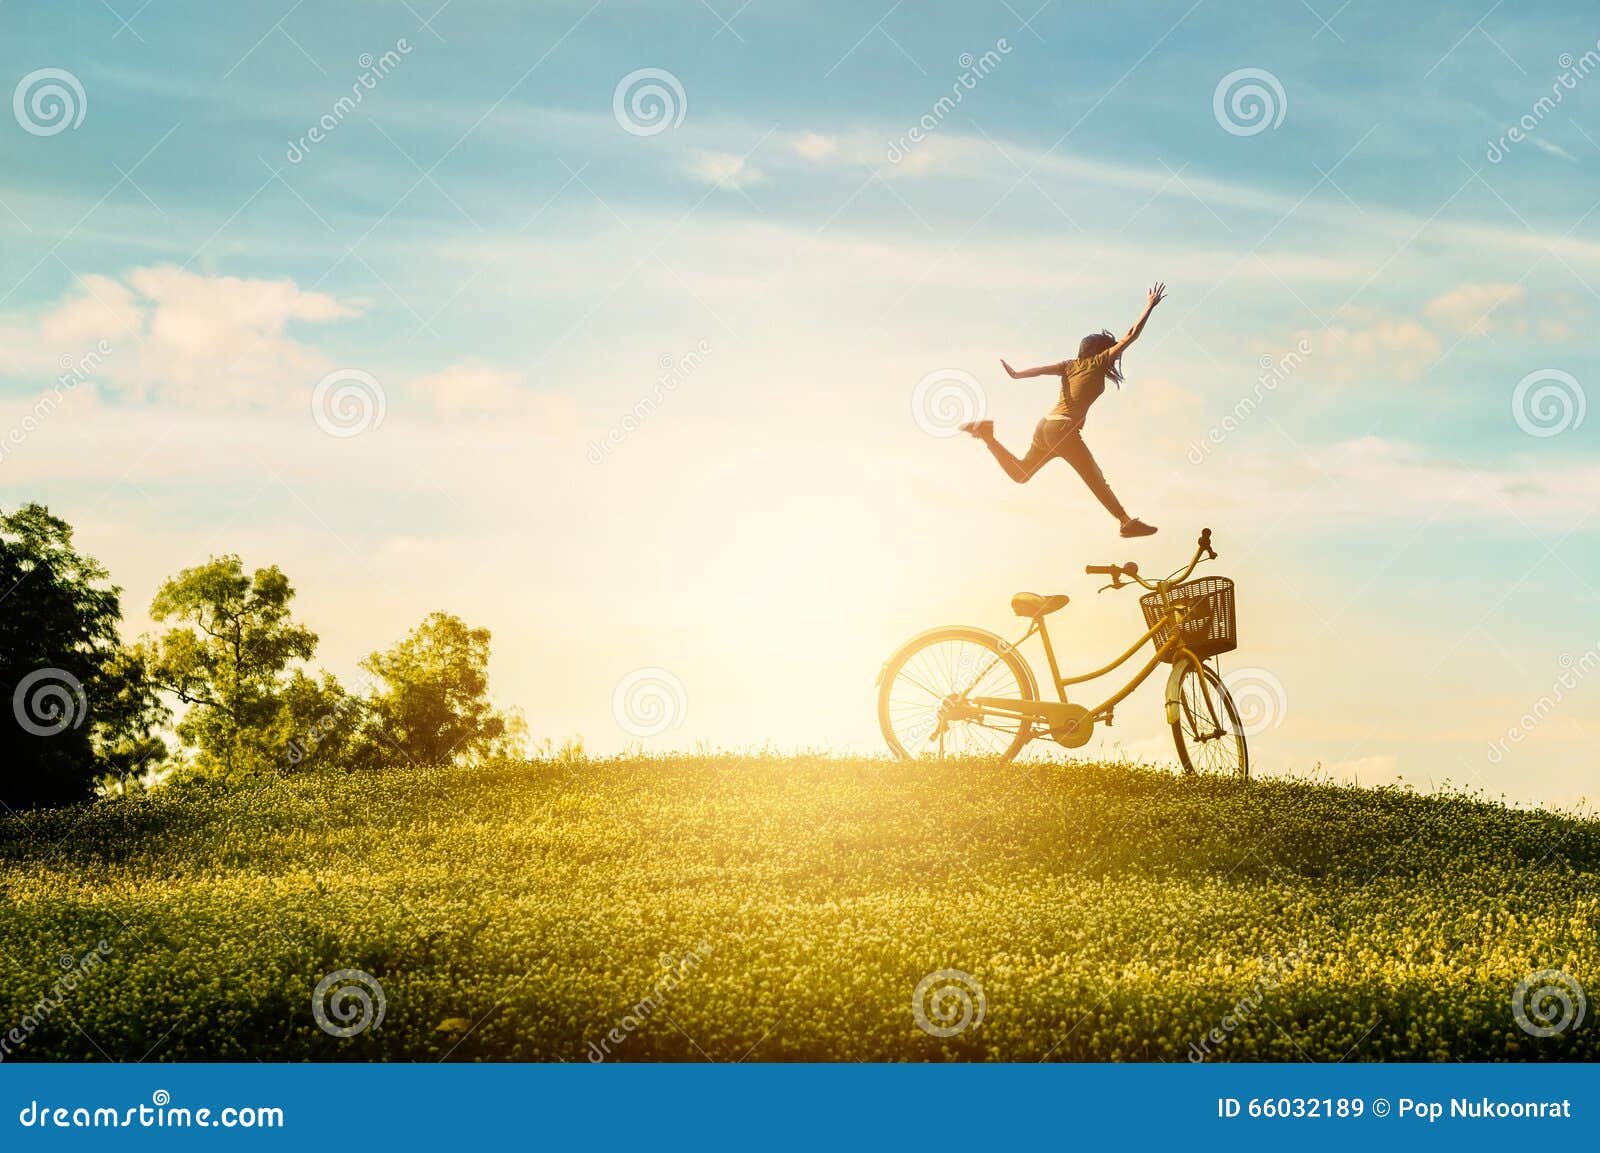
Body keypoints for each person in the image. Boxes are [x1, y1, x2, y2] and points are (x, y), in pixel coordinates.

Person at [960, 283, 1166, 538]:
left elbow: (1041, 370)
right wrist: (1149, 306)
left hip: (1046, 425)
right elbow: (1131, 335)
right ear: (1100, 351)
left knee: (1022, 474)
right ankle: (1125, 522)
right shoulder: (1098, 362)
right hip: (1063, 430)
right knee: (1094, 476)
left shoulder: (1069, 365)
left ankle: (988, 436)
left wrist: (1017, 375)